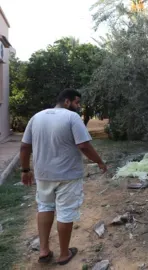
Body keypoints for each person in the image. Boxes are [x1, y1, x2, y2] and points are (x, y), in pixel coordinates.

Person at [20, 89, 107, 265]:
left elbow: (24, 147)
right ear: (67, 102)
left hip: (43, 174)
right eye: (77, 102)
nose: (79, 106)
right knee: (65, 212)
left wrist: (25, 170)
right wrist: (100, 162)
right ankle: (64, 254)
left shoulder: (37, 117)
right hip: (68, 175)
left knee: (44, 207)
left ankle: (44, 250)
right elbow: (83, 146)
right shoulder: (72, 117)